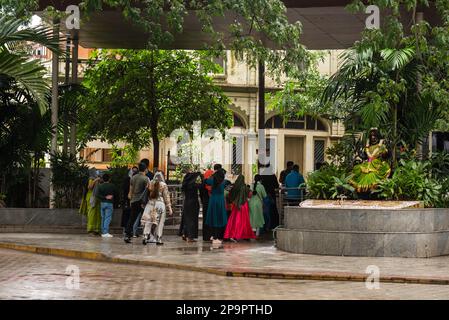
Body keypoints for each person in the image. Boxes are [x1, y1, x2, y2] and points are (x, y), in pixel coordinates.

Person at [351, 128, 391, 193]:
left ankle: (370, 190)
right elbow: (365, 156)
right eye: (371, 136)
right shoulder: (368, 147)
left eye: (374, 135)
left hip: (376, 164)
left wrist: (384, 152)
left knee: (371, 175)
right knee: (357, 169)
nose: (372, 137)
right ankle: (361, 190)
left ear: (377, 136)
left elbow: (386, 155)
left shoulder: (382, 146)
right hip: (367, 163)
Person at [141, 171, 173, 245]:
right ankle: (159, 238)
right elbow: (166, 197)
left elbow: (146, 193)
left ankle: (145, 237)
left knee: (148, 222)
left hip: (150, 204)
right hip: (160, 204)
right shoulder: (163, 185)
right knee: (160, 222)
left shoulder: (150, 183)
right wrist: (169, 208)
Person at [224, 175, 256, 241]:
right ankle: (245, 235)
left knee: (235, 220)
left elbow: (229, 195)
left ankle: (234, 234)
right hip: (244, 205)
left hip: (236, 205)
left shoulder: (235, 187)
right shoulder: (246, 187)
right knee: (245, 221)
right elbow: (250, 195)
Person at [124, 162, 150, 243]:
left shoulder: (133, 177)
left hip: (134, 200)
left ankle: (127, 235)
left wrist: (131, 199)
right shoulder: (145, 178)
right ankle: (146, 235)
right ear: (145, 169)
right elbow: (148, 190)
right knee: (146, 219)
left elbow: (130, 190)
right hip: (142, 202)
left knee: (132, 218)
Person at [204, 167, 228, 244]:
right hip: (220, 201)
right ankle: (216, 237)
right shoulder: (224, 182)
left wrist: (212, 175)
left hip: (213, 200)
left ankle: (212, 235)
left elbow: (205, 181)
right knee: (218, 219)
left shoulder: (212, 180)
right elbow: (230, 183)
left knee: (213, 218)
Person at [178, 170, 202, 242]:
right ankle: (190, 237)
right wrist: (201, 176)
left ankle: (184, 234)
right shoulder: (194, 185)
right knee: (192, 220)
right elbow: (202, 185)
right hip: (193, 203)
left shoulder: (186, 184)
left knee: (186, 219)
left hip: (186, 202)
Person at [79, 170, 101, 236]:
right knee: (91, 214)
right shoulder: (91, 179)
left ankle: (96, 230)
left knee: (97, 215)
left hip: (97, 198)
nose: (97, 173)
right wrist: (95, 180)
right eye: (96, 172)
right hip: (91, 198)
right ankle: (90, 230)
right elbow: (89, 187)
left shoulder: (98, 180)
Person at [97, 173, 117, 238]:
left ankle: (103, 232)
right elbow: (116, 194)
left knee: (102, 217)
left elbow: (97, 195)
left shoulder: (100, 186)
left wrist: (104, 197)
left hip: (102, 203)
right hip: (109, 203)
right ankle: (105, 232)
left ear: (103, 179)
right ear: (109, 179)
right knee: (108, 218)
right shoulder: (112, 186)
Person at [121, 166, 138, 234]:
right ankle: (125, 230)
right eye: (133, 171)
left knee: (133, 215)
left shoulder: (137, 179)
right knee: (126, 215)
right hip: (127, 201)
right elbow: (124, 190)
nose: (134, 172)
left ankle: (132, 230)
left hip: (134, 200)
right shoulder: (127, 179)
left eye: (135, 171)